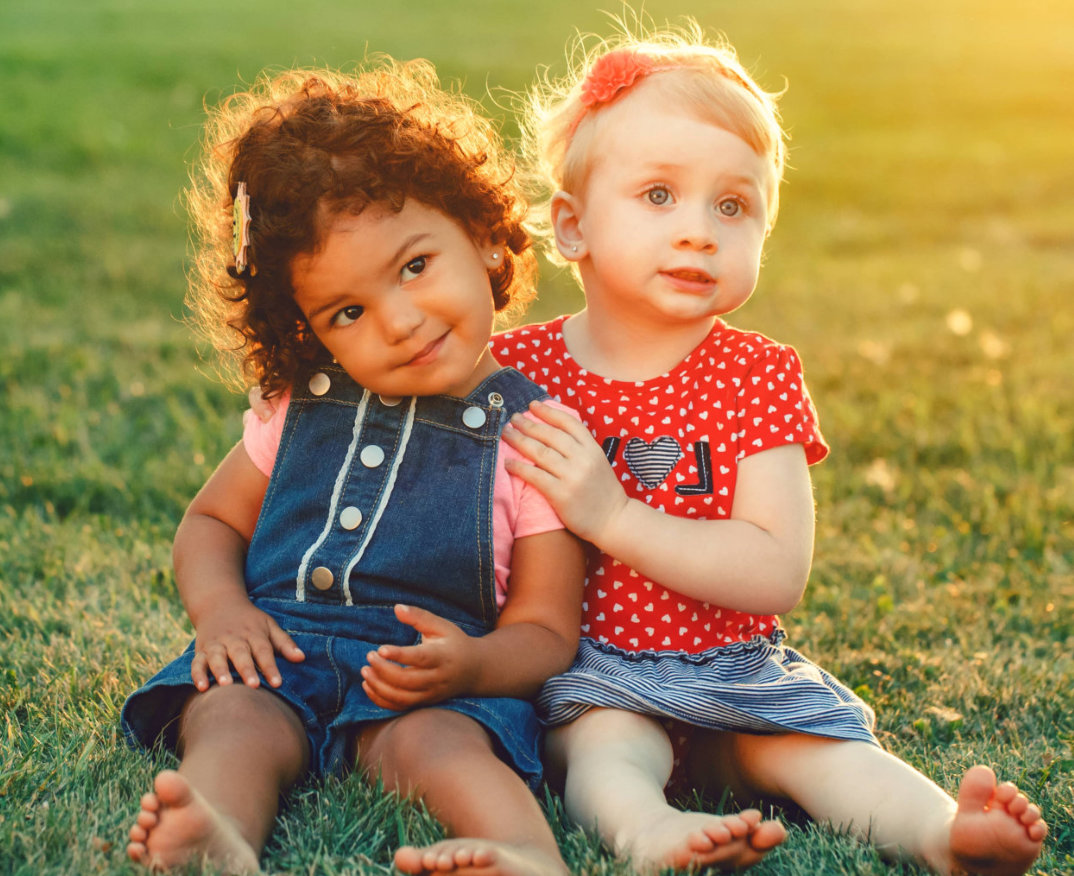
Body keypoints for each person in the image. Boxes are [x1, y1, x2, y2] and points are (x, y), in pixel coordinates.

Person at [492, 20, 1049, 875]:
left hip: (735, 668)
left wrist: (611, 513)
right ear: (571, 228)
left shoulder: (756, 375)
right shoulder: (518, 371)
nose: (698, 231)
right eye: (658, 196)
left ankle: (945, 832)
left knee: (818, 753)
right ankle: (653, 835)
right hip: (590, 669)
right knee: (606, 753)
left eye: (733, 205)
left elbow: (774, 569)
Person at [120, 60, 593, 876]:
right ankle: (220, 836)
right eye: (349, 312)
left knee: (436, 745)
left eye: (415, 266)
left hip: (429, 683)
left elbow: (549, 631)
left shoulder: (534, 435)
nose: (401, 321)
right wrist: (223, 612)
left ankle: (523, 852)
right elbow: (209, 522)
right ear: (309, 333)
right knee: (232, 716)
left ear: (483, 234)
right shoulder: (297, 408)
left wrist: (473, 665)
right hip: (282, 655)